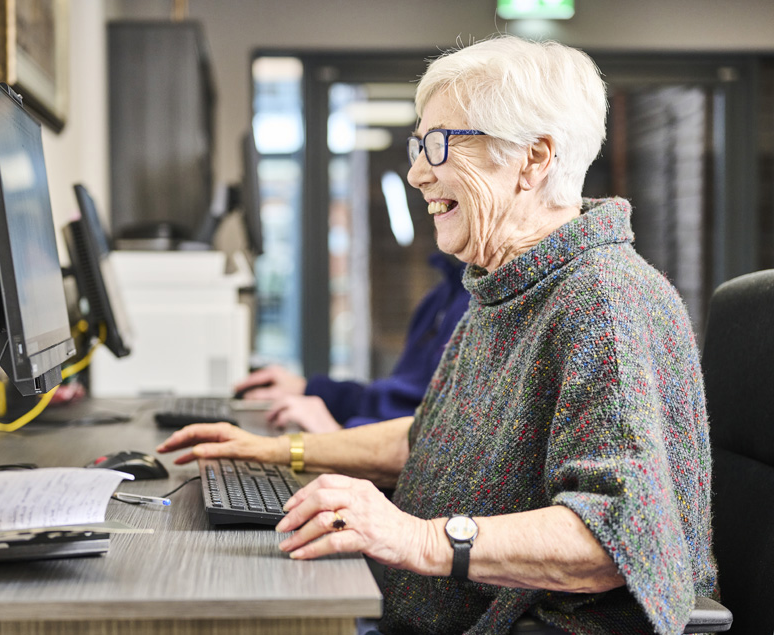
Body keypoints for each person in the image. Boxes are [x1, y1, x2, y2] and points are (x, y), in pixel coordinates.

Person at [159, 35, 716, 634]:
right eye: (418, 144)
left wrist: (417, 538)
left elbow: (619, 535)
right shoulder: (509, 286)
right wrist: (272, 450)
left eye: (441, 143)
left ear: (533, 159)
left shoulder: (603, 300)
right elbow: (430, 438)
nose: (417, 170)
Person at [236, 253, 470, 433]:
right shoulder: (442, 296)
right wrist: (310, 390)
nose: (419, 186)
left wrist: (337, 436)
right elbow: (396, 405)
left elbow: (434, 445)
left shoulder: (478, 309)